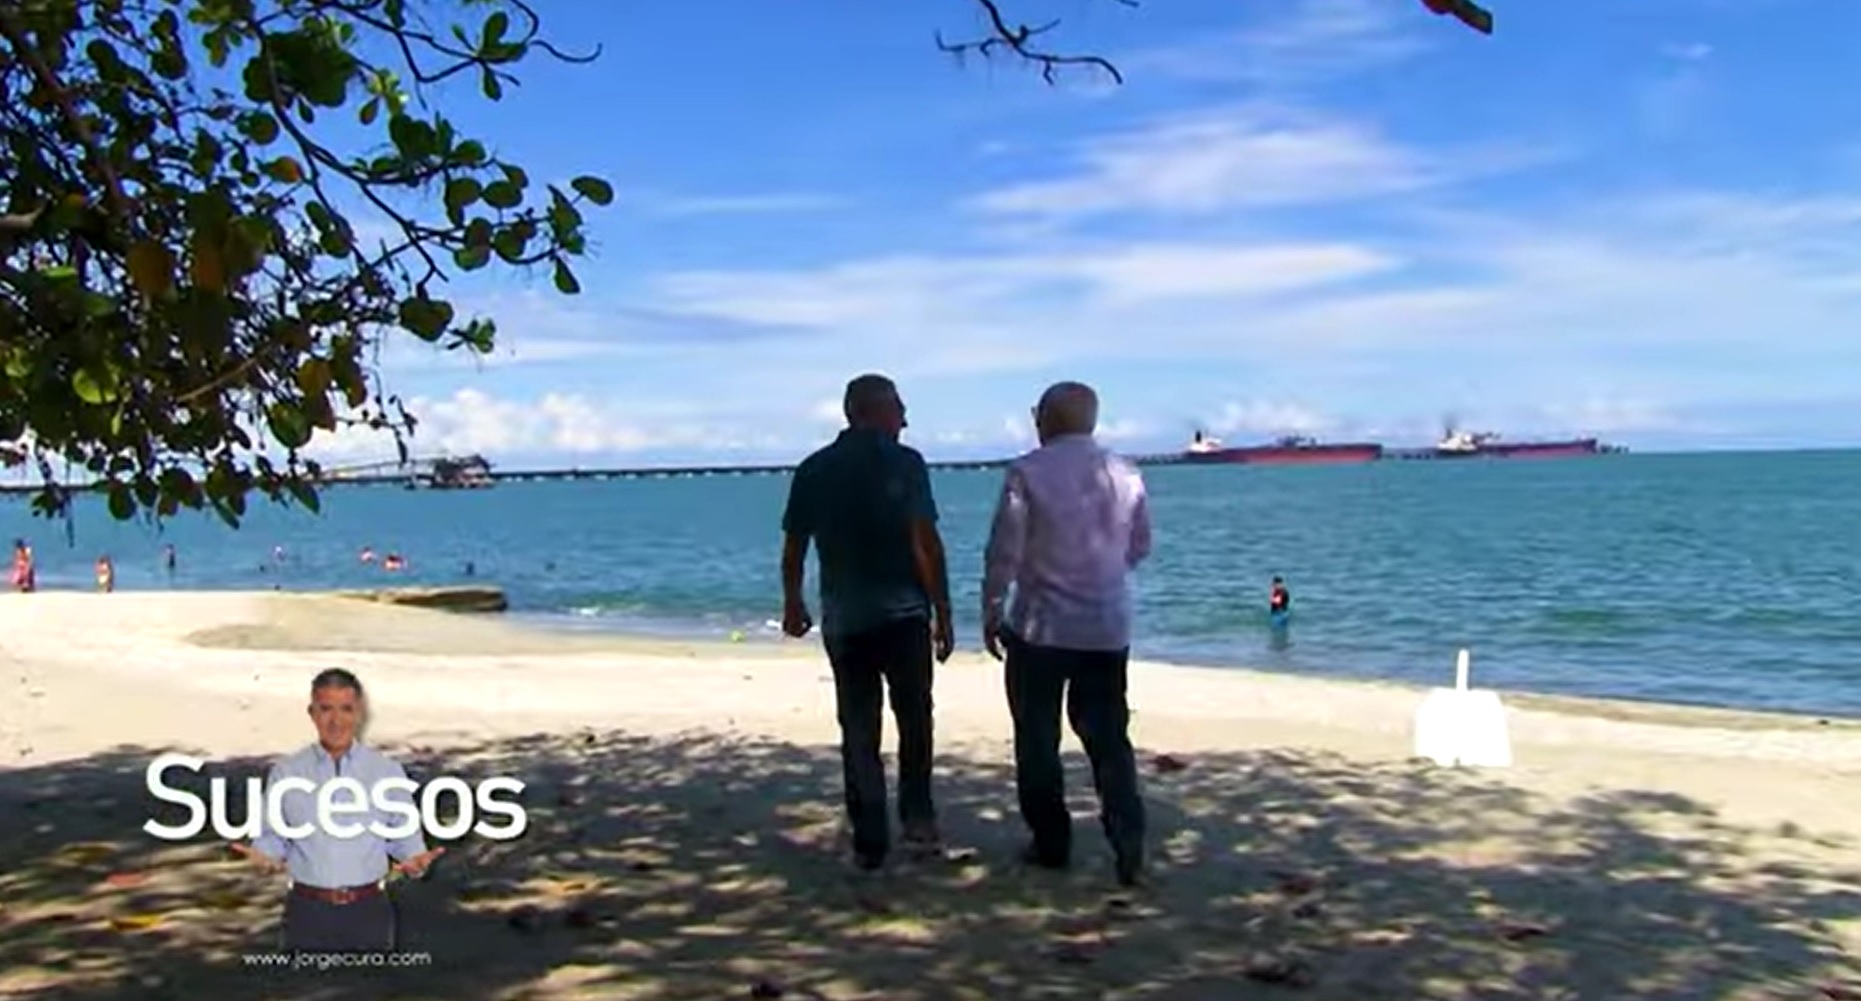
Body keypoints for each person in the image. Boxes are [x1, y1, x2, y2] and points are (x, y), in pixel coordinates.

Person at [780, 373, 954, 871]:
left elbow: (795, 546)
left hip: (846, 617)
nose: (906, 419)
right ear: (875, 412)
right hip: (903, 615)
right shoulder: (906, 463)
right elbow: (925, 542)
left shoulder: (814, 468)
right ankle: (917, 820)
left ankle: (869, 838)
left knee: (858, 728)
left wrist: (793, 602)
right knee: (914, 719)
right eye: (899, 408)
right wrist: (943, 611)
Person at [983, 381, 1151, 887]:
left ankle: (1051, 842)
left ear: (1045, 419)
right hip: (1105, 626)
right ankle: (1128, 843)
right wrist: (1098, 574)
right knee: (1109, 739)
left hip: (1041, 628)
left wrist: (991, 608)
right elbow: (1139, 546)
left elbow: (1005, 551)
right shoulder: (1125, 472)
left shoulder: (1027, 472)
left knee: (1038, 739)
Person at [228, 668, 445, 953]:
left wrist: (416, 862)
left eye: (346, 709)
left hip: (369, 913)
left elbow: (406, 840)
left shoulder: (386, 771)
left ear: (360, 713)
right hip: (306, 913)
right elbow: (272, 837)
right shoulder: (287, 772)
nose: (336, 720)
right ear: (312, 713)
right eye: (326, 709)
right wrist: (264, 857)